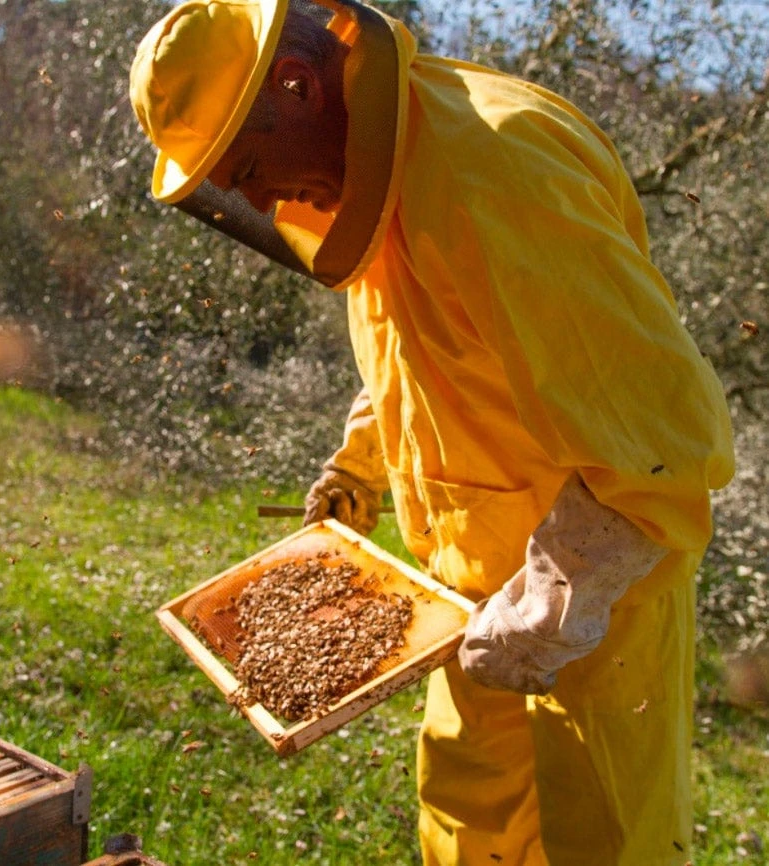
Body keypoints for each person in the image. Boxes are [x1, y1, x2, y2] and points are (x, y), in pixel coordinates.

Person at [129, 1, 735, 863]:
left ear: (298, 85)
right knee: (467, 840)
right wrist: (359, 465)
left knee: (597, 844)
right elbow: (420, 354)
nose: (258, 201)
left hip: (596, 624)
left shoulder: (497, 168)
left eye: (250, 169)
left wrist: (554, 602)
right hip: (467, 606)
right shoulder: (377, 176)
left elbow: (663, 438)